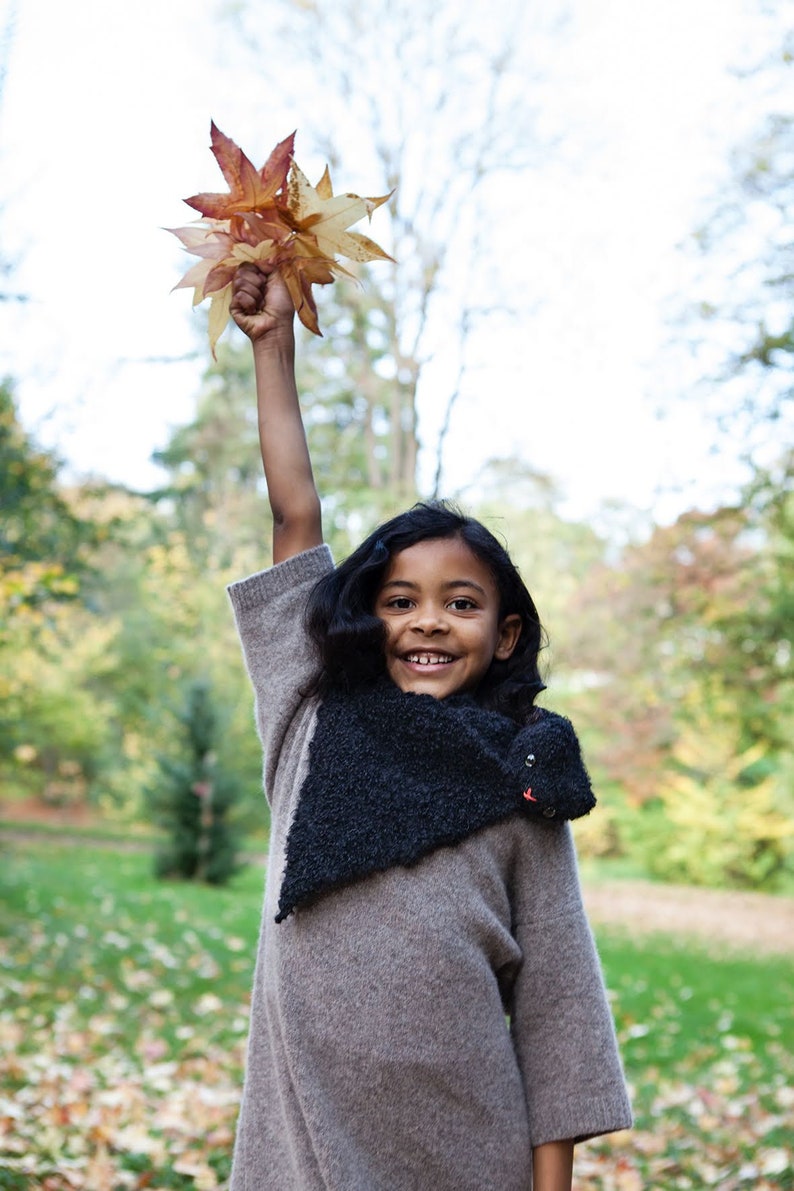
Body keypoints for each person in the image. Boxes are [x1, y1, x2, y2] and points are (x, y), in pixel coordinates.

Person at [225, 263, 632, 1191]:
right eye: (401, 600)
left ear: (504, 633)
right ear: (370, 614)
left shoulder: (525, 778)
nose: (429, 621)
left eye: (460, 602)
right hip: (308, 1132)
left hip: (466, 1143)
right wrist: (274, 349)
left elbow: (559, 998)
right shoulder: (312, 715)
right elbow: (296, 513)